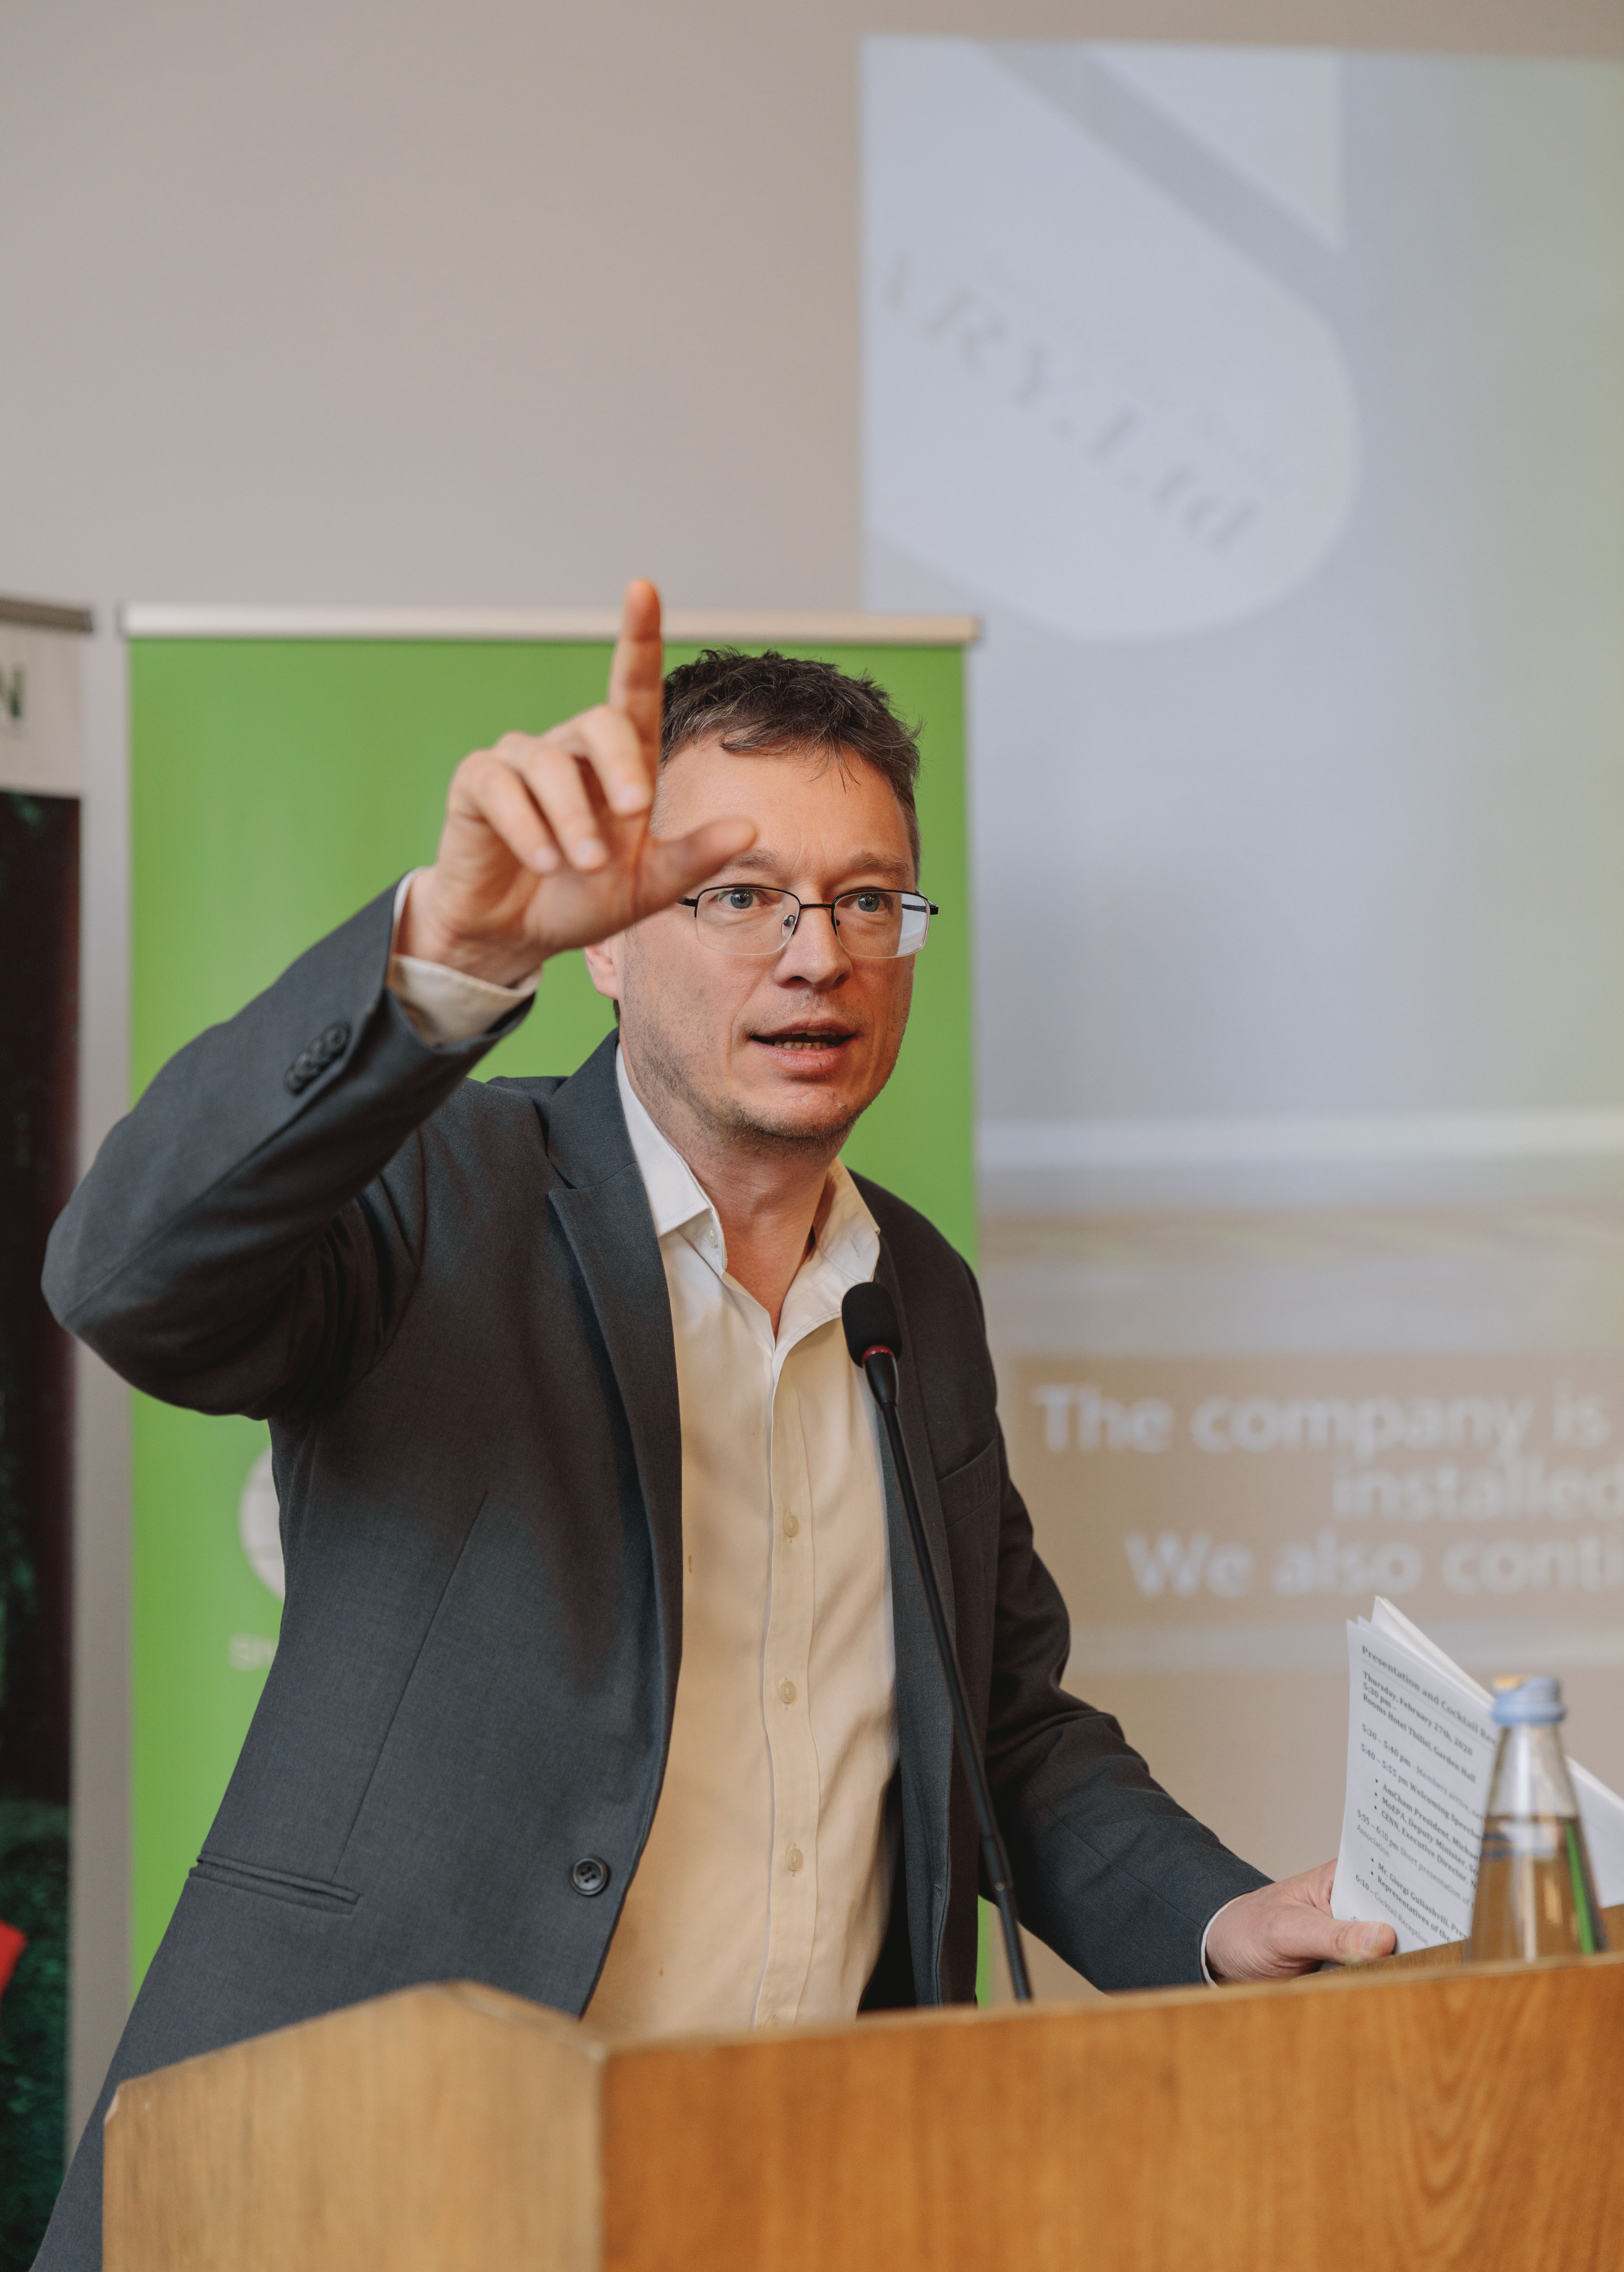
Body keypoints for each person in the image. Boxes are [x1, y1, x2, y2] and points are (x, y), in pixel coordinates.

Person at [36, 582, 1394, 2266]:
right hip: (361, 2180)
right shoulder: (437, 1189)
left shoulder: (918, 1290)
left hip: (776, 2190)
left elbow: (998, 1730)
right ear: (605, 938)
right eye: (737, 894)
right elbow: (126, 1278)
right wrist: (446, 957)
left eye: (867, 899)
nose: (816, 955)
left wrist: (1213, 1915)